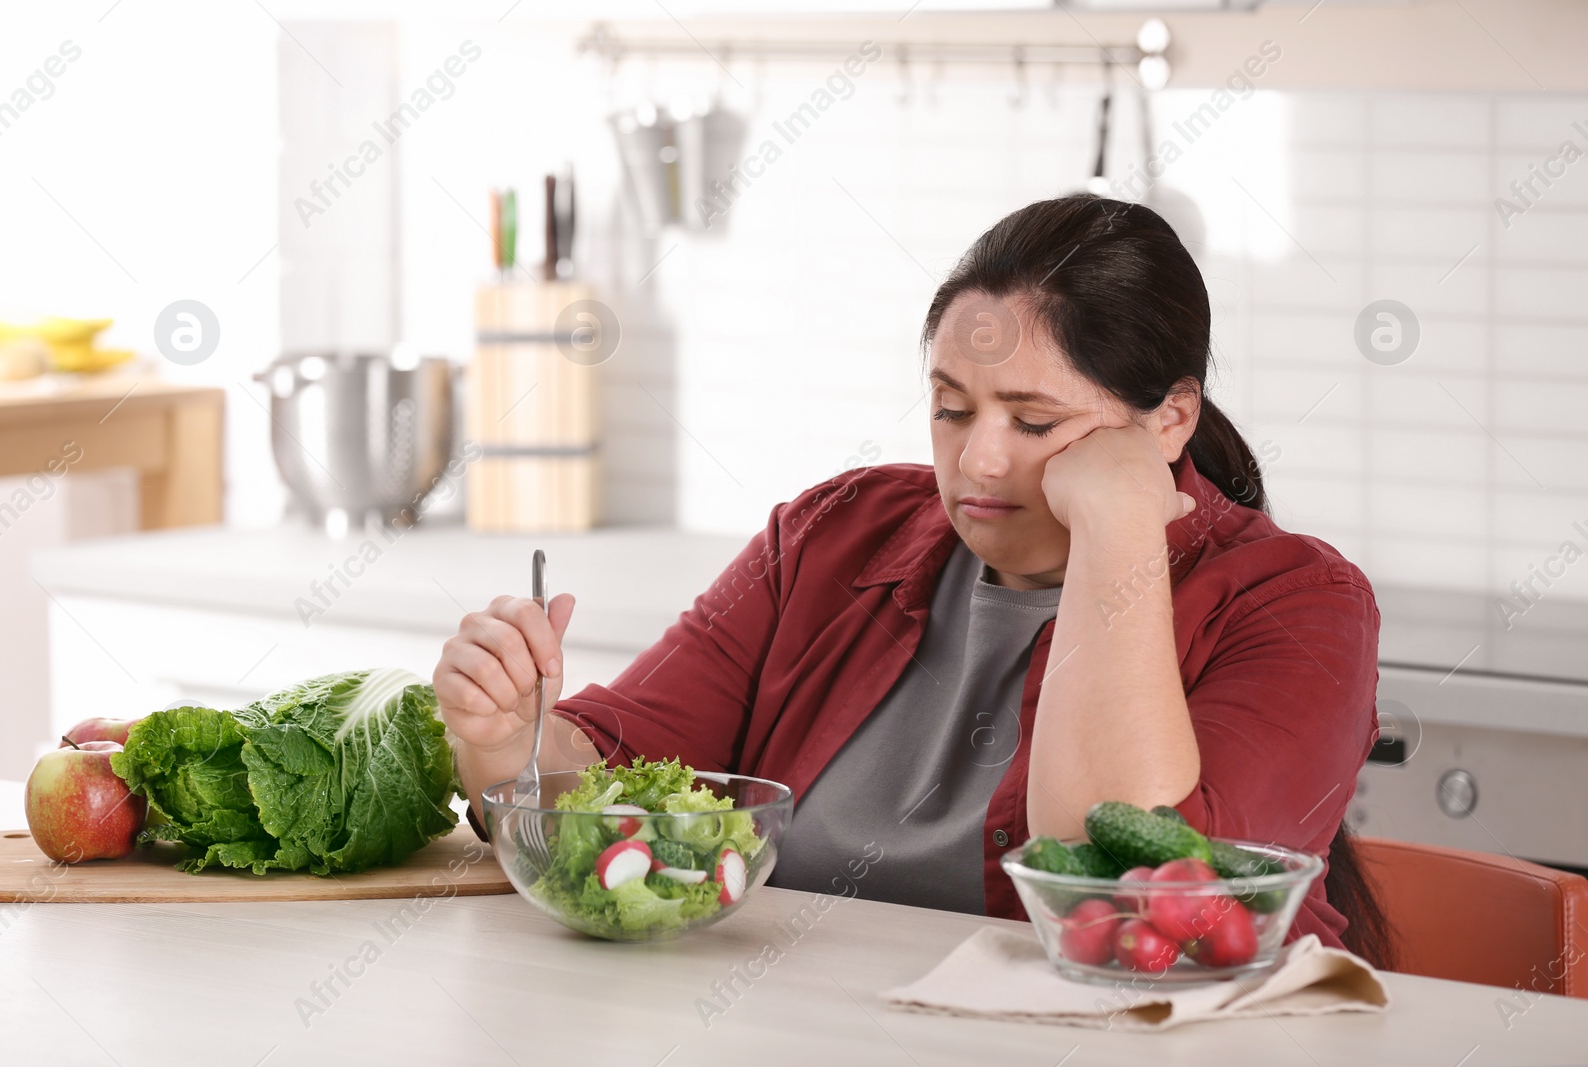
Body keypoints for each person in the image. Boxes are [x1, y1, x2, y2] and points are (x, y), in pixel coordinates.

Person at [435, 194, 1393, 966]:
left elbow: (1122, 889)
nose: (977, 463)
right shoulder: (830, 535)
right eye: (950, 408)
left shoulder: (1303, 604)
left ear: (1169, 421)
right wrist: (512, 741)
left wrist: (1120, 526)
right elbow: (613, 789)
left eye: (1032, 423)